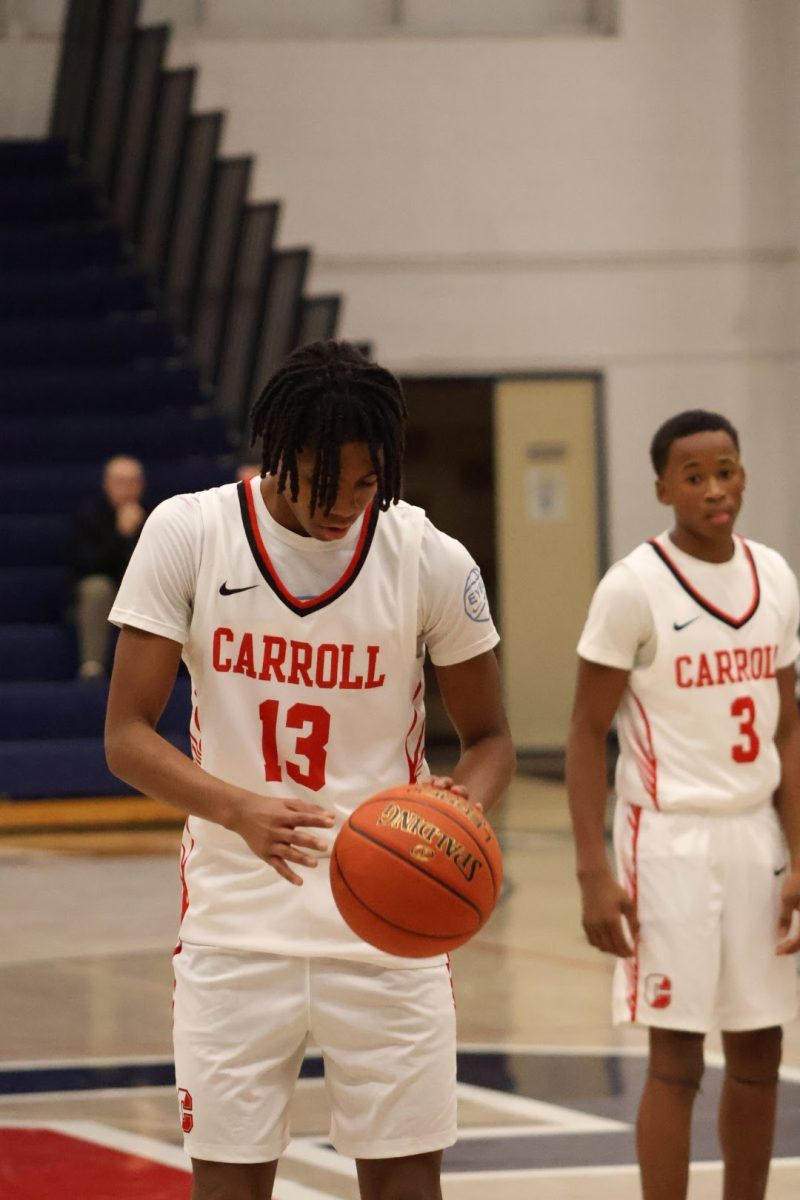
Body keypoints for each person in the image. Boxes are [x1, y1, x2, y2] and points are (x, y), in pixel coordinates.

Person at [104, 339, 516, 1200]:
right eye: (324, 486)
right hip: (233, 921)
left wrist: (460, 805)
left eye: (366, 487)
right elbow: (128, 737)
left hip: (392, 922)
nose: (344, 508)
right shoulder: (190, 532)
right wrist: (238, 809)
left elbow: (490, 740)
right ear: (277, 454)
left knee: (405, 1180)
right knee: (228, 1185)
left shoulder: (429, 559)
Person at [565, 408, 800, 1200]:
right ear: (663, 486)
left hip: (754, 834)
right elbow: (584, 731)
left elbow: (790, 728)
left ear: (743, 473)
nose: (713, 489)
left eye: (725, 470)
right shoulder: (633, 586)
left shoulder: (774, 576)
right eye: (694, 476)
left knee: (761, 1053)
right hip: (666, 841)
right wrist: (594, 872)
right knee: (676, 1060)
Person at [72, 454, 147, 680]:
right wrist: (120, 535)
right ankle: (92, 668)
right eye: (119, 482)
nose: (126, 489)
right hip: (103, 592)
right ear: (106, 484)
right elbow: (88, 565)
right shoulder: (88, 515)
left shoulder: (155, 516)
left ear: (141, 486)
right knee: (97, 588)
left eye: (132, 482)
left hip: (138, 591)